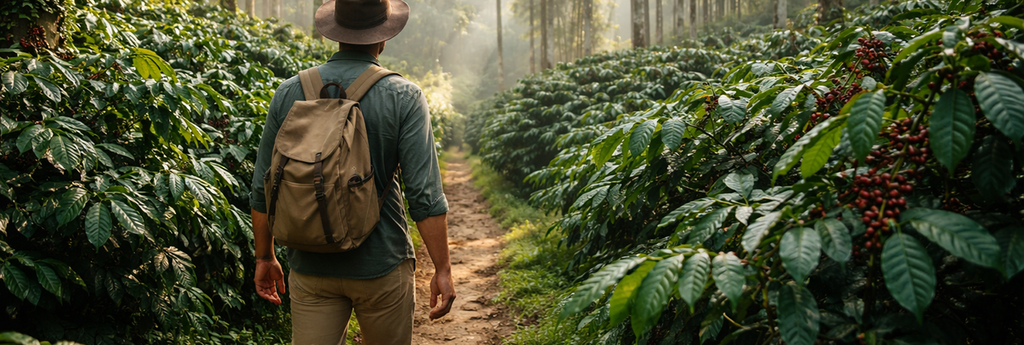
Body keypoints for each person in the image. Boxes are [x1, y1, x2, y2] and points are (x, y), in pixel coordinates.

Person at [247, 0, 456, 343]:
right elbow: (425, 195)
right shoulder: (403, 96)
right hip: (382, 264)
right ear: (383, 38)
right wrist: (442, 269)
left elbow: (263, 187)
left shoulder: (289, 92)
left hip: (311, 265)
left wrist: (264, 256)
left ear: (336, 32)